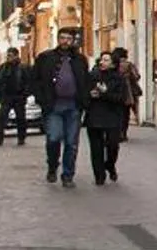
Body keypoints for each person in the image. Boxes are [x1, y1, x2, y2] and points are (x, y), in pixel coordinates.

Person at [29, 27, 92, 187]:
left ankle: (68, 175)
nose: (65, 41)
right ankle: (52, 166)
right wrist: (41, 98)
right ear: (58, 39)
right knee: (53, 138)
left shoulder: (80, 60)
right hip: (53, 106)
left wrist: (84, 101)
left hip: (73, 106)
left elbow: (85, 81)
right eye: (62, 38)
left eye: (68, 39)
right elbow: (35, 79)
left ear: (73, 40)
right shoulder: (45, 58)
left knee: (71, 142)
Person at [85, 48, 135, 185]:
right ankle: (99, 176)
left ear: (113, 63)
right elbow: (84, 94)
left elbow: (121, 98)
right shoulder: (92, 76)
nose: (103, 62)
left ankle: (109, 164)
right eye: (101, 59)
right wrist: (90, 95)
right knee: (96, 148)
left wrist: (105, 93)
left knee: (113, 145)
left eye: (106, 60)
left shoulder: (119, 79)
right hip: (94, 116)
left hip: (113, 115)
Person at [0, 48, 28, 146]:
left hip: (19, 96)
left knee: (20, 118)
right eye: (8, 55)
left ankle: (21, 137)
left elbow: (28, 82)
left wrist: (25, 94)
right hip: (6, 96)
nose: (8, 58)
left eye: (11, 55)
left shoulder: (23, 67)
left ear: (16, 56)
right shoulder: (3, 67)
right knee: (1, 117)